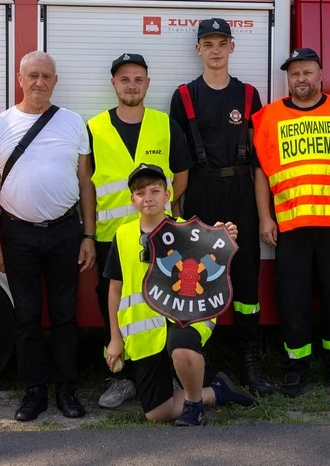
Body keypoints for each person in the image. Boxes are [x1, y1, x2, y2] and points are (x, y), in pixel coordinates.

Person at [0, 51, 96, 421]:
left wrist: (88, 235)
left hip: (64, 231)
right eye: (32, 75)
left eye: (46, 76)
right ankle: (33, 392)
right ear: (20, 78)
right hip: (17, 233)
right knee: (26, 315)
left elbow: (85, 181)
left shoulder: (73, 122)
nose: (39, 82)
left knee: (65, 315)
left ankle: (66, 389)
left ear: (55, 81)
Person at [104, 163, 257, 426]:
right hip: (145, 331)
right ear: (132, 200)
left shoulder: (187, 230)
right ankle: (217, 391)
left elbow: (211, 263)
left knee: (181, 348)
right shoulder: (123, 236)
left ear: (168, 195)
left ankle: (194, 407)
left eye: (155, 190)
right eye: (140, 192)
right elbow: (115, 289)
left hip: (186, 316)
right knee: (156, 414)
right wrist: (115, 338)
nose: (148, 197)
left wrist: (223, 235)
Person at [84, 52, 193, 409]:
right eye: (124, 79)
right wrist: (87, 234)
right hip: (111, 237)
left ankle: (169, 371)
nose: (132, 85)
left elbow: (180, 172)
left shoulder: (165, 124)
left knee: (168, 303)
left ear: (147, 83)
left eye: (138, 78)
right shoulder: (95, 127)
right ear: (113, 84)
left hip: (161, 234)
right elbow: (86, 181)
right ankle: (122, 376)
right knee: (115, 306)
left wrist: (173, 214)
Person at [169, 18, 271, 395]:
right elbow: (177, 163)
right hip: (200, 195)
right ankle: (202, 363)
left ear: (232, 47)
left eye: (221, 43)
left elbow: (260, 161)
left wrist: (263, 216)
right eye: (207, 43)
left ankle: (251, 362)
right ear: (198, 49)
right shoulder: (183, 96)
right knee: (196, 282)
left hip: (241, 193)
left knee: (246, 281)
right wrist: (176, 217)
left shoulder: (248, 95)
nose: (215, 50)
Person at [251, 48, 330, 397]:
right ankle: (295, 367)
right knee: (293, 300)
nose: (301, 78)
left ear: (320, 74)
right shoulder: (268, 117)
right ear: (289, 78)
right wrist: (265, 217)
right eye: (295, 73)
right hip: (290, 226)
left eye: (308, 72)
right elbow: (260, 172)